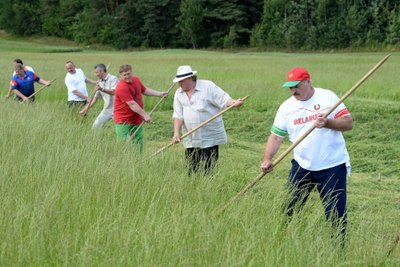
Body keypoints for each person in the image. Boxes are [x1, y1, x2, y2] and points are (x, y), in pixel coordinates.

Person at [260, 67, 353, 238]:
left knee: (335, 214)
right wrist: (267, 159)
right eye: (290, 87)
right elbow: (276, 137)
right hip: (302, 165)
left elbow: (348, 123)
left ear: (308, 82)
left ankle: (338, 251)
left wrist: (327, 123)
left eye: (297, 86)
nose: (293, 90)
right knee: (288, 208)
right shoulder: (286, 107)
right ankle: (280, 240)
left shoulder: (327, 97)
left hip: (331, 166)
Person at [171, 65, 243, 175]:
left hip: (209, 136)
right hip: (191, 137)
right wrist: (176, 133)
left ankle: (208, 188)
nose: (179, 84)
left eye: (181, 81)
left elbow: (224, 99)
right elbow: (178, 115)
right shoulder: (178, 93)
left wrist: (233, 102)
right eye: (178, 81)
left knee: (208, 169)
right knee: (191, 168)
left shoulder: (207, 86)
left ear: (190, 78)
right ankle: (193, 187)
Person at [114, 64, 168, 152]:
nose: (127, 76)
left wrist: (159, 94)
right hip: (122, 119)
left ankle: (139, 159)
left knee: (138, 140)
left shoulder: (136, 79)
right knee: (122, 142)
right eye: (124, 75)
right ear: (120, 76)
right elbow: (132, 104)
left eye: (128, 74)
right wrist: (145, 115)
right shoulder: (121, 87)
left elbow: (145, 90)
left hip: (136, 117)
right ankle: (120, 160)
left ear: (132, 72)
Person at [79, 64, 119, 128]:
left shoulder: (113, 79)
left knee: (122, 130)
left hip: (118, 109)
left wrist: (102, 89)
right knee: (95, 127)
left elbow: (114, 92)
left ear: (102, 71)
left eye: (97, 72)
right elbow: (94, 99)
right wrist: (84, 110)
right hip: (107, 109)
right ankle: (106, 130)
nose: (96, 74)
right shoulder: (99, 83)